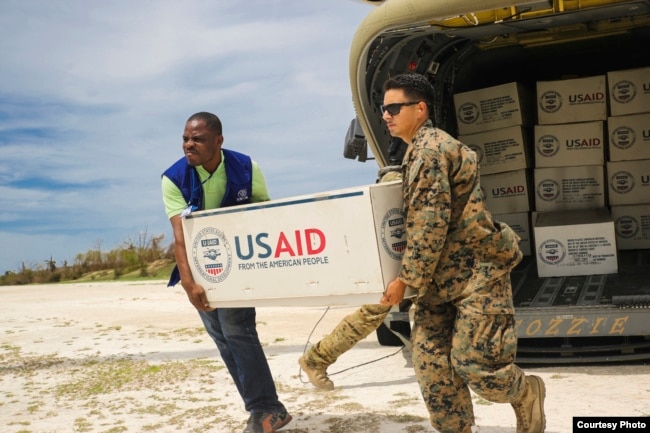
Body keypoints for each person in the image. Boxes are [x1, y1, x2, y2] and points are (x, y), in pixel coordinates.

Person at [377, 73, 546, 433]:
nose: (386, 116)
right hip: (440, 279)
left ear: (419, 109)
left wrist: (405, 280)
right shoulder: (415, 151)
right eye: (383, 109)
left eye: (394, 107)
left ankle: (526, 392)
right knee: (432, 366)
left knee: (477, 366)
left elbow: (429, 222)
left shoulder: (429, 150)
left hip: (476, 272)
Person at [161, 112, 291, 433]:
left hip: (239, 262)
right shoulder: (173, 178)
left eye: (198, 139)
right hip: (201, 266)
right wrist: (189, 284)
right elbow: (180, 236)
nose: (188, 145)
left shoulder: (247, 167)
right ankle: (264, 408)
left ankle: (265, 408)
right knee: (222, 337)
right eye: (185, 139)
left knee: (237, 329)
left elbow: (265, 215)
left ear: (218, 141)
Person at [298, 168, 404, 390]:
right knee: (372, 313)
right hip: (397, 269)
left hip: (410, 265)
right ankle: (316, 359)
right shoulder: (388, 205)